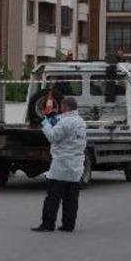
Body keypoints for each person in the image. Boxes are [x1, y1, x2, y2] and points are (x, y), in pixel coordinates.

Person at [32, 96, 88, 233]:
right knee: (71, 197)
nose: (60, 109)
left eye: (62, 106)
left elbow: (53, 136)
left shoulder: (65, 121)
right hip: (76, 165)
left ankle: (47, 224)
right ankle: (68, 225)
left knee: (53, 196)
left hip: (62, 163)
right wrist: (53, 118)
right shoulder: (80, 122)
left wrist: (45, 123)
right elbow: (62, 125)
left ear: (65, 106)